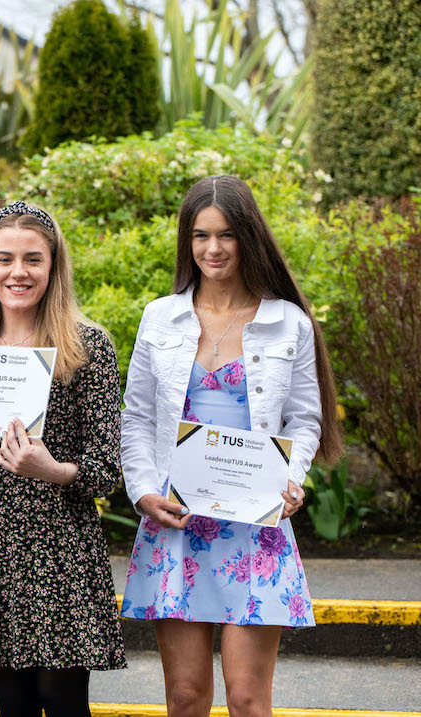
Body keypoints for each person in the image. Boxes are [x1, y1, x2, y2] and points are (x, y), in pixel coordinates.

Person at [120, 175, 343, 716]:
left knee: (247, 698)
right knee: (187, 696)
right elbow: (138, 418)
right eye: (200, 236)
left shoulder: (287, 322)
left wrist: (295, 477)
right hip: (177, 523)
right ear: (187, 241)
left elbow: (306, 419)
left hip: (255, 523)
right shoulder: (160, 317)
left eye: (226, 235)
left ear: (249, 237)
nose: (212, 249)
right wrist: (144, 493)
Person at [0, 201, 127, 717]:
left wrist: (52, 470)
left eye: (33, 259)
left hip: (60, 543)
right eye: (6, 259)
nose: (19, 272)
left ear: (54, 266)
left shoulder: (87, 347)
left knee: (62, 706)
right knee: (11, 706)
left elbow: (107, 469)